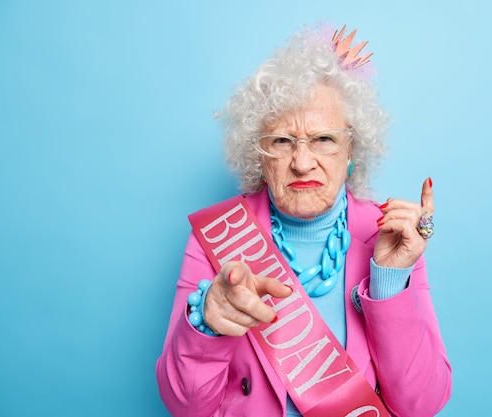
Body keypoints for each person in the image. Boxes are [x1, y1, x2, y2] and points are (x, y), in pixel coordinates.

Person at [156, 24, 451, 417]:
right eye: (281, 141)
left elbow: (421, 405)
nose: (302, 162)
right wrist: (209, 324)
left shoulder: (390, 238)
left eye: (324, 139)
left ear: (352, 150)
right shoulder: (217, 235)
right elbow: (185, 407)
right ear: (259, 156)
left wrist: (389, 281)